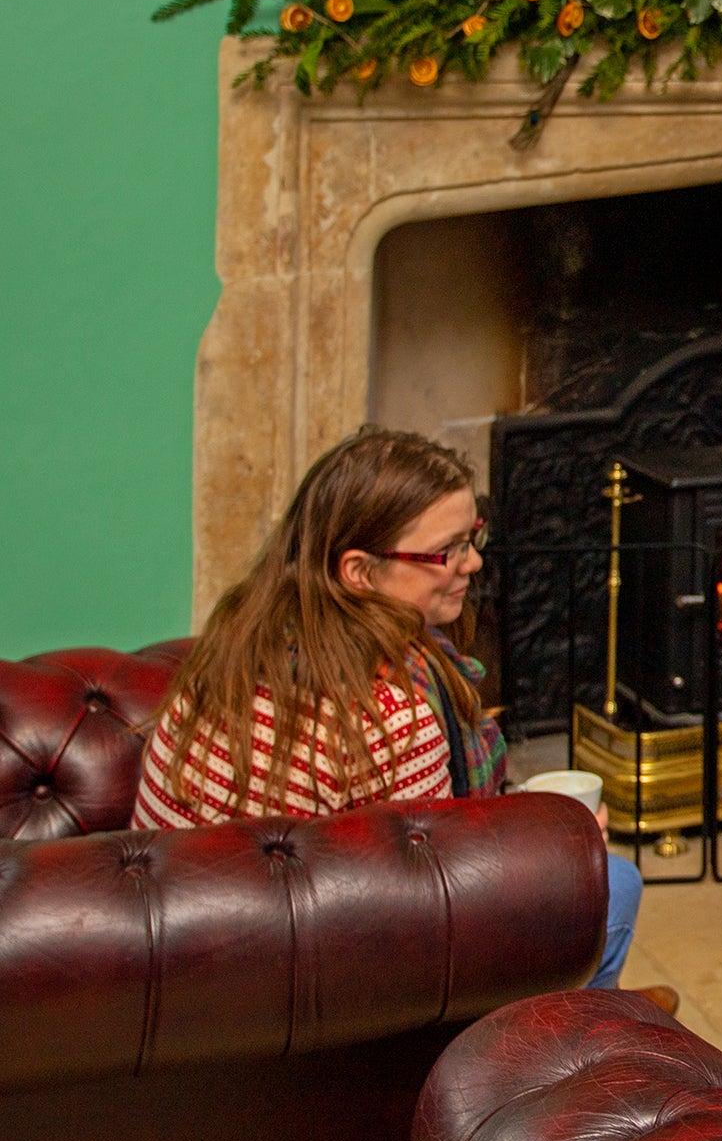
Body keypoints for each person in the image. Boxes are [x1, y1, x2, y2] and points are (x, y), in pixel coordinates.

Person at [134, 425, 672, 1012]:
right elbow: (437, 915)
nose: (473, 561)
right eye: (448, 551)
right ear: (360, 572)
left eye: (474, 535)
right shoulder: (393, 714)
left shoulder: (226, 656)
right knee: (613, 882)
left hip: (184, 970)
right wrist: (558, 850)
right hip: (316, 992)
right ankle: (564, 1044)